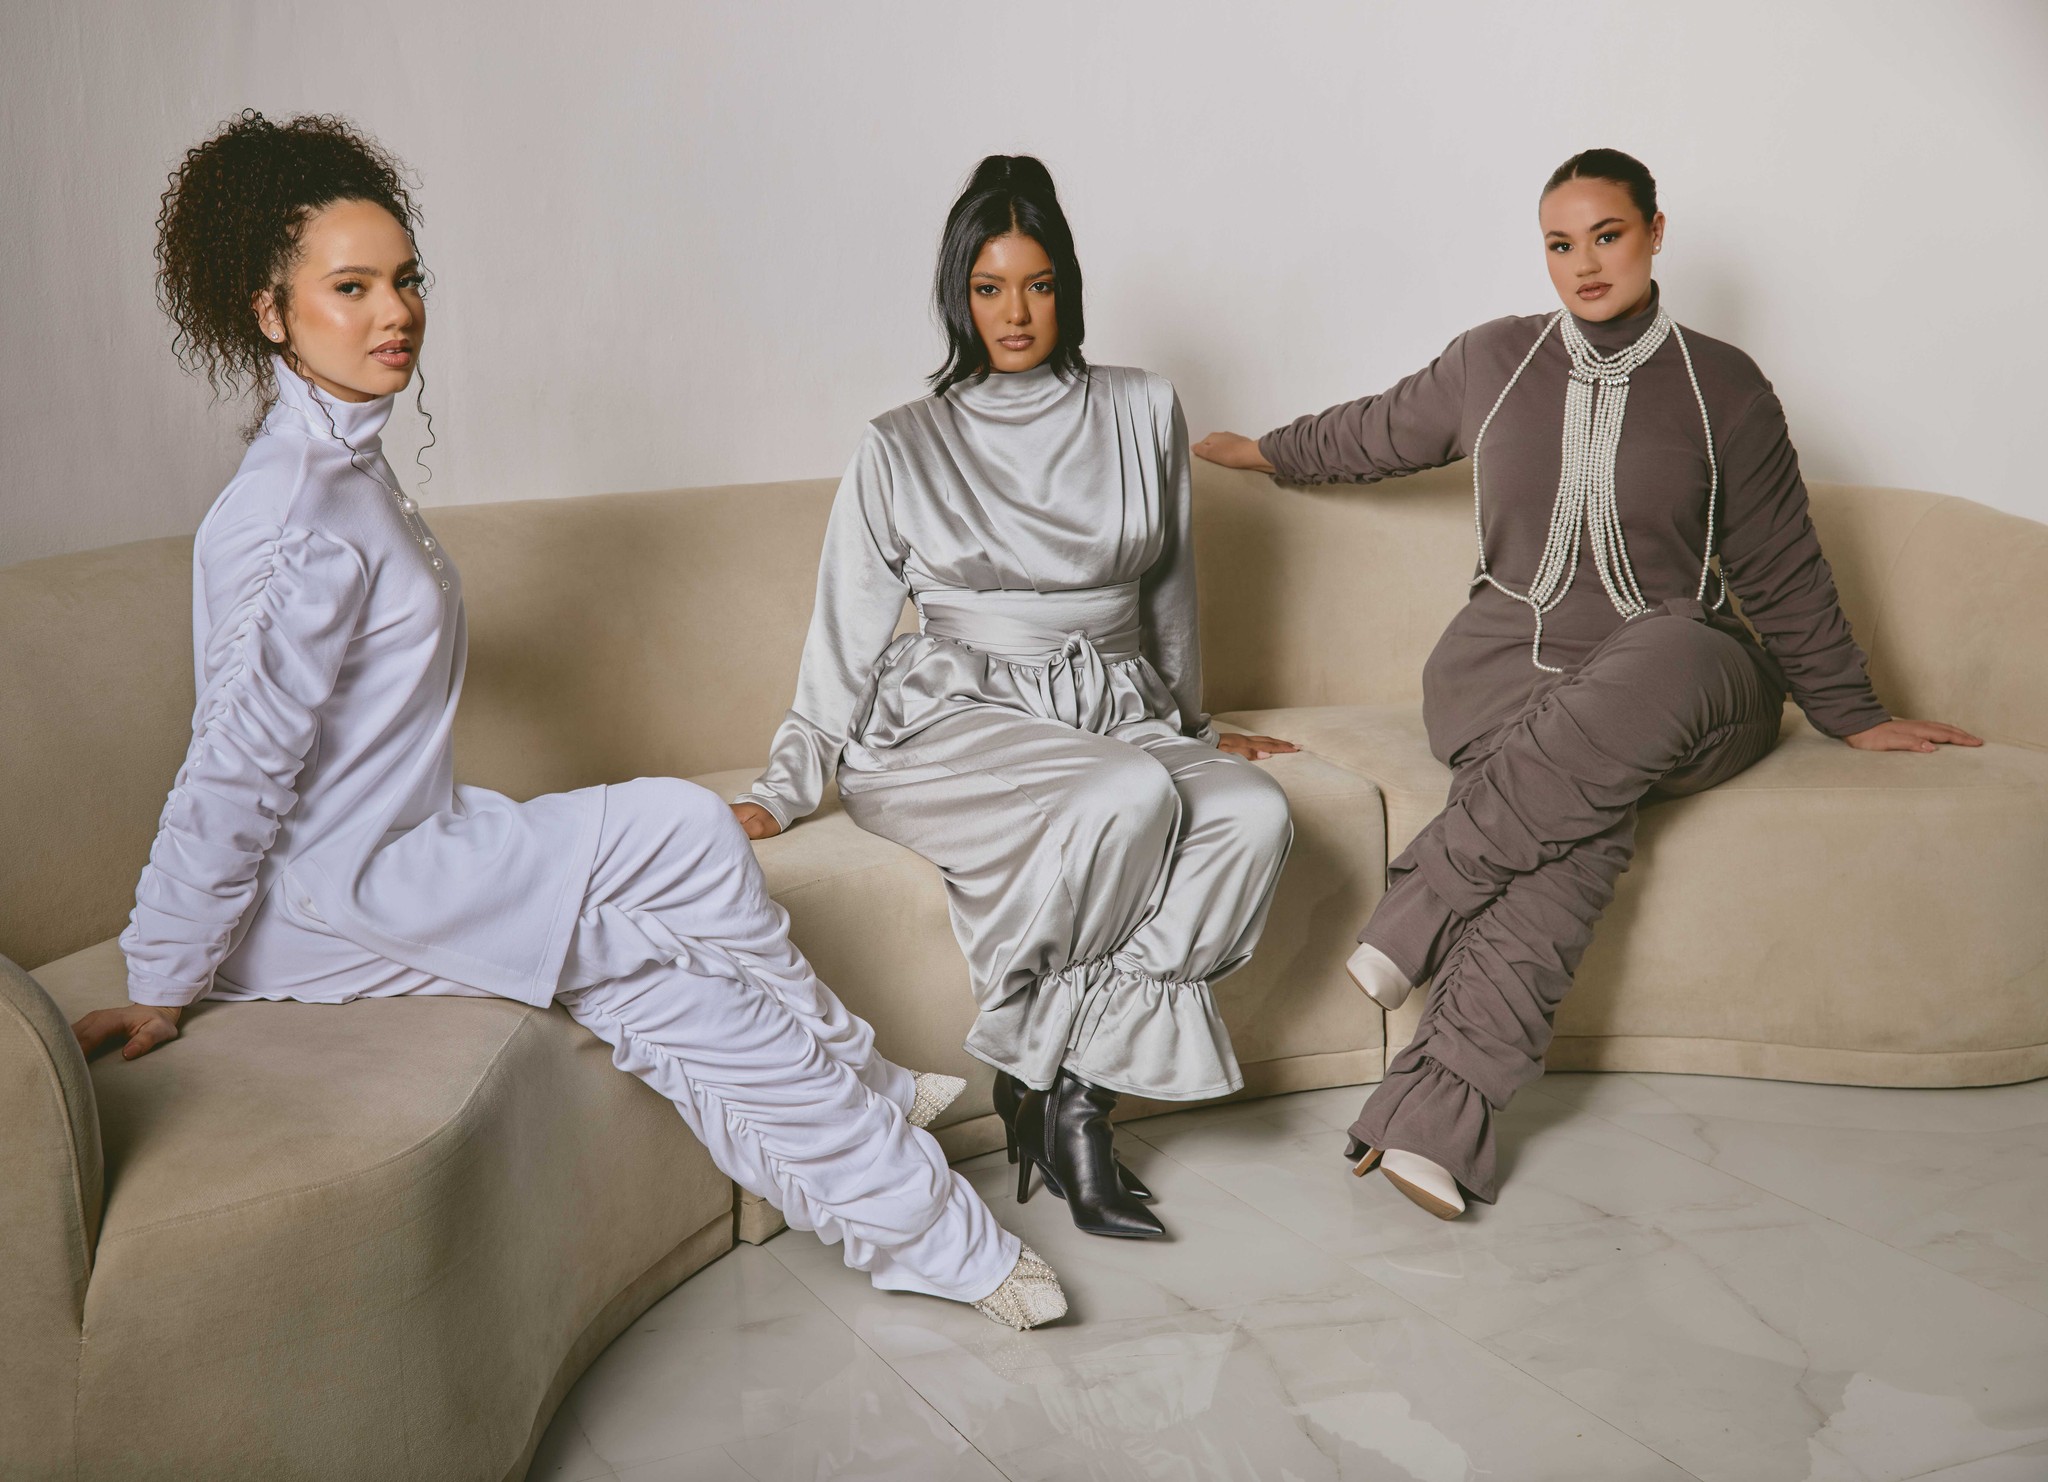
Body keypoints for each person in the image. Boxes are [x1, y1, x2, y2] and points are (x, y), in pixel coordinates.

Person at [70, 111, 1064, 1331]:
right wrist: (164, 975)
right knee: (660, 980)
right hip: (336, 900)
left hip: (412, 854)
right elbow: (234, 764)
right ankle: (938, 1242)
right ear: (270, 312)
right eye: (351, 288)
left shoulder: (339, 467)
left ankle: (858, 1078)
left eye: (405, 279)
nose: (396, 313)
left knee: (691, 832)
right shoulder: (287, 518)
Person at [1194, 147, 1980, 1220]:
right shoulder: (1494, 361)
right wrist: (1261, 450)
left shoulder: (1723, 384)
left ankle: (1420, 901)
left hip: (1680, 683)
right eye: (1558, 245)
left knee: (1669, 648)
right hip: (1504, 679)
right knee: (1579, 817)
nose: (1581, 264)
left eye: (1604, 235)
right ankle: (1432, 1122)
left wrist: (1852, 714)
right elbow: (1371, 432)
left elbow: (1778, 566)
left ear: (1655, 232)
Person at [734, 155, 1297, 1240]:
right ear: (958, 295)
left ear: (1065, 286)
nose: (1014, 311)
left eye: (1035, 284)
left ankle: (1067, 1087)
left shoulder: (1141, 410)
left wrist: (1194, 723)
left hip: (1116, 709)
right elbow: (844, 630)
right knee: (1125, 797)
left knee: (1248, 813)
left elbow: (1168, 594)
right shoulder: (902, 440)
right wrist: (789, 778)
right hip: (953, 717)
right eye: (989, 288)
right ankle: (1058, 1098)